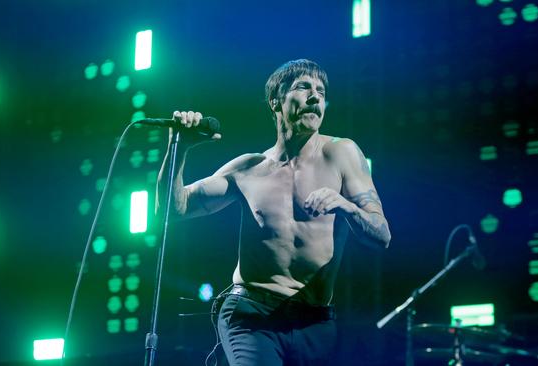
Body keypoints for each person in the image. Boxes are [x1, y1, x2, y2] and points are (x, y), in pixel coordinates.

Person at [156, 59, 391, 365]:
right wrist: (179, 147)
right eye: (303, 87)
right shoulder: (248, 169)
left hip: (314, 321)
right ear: (276, 102)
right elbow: (175, 208)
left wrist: (345, 205)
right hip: (252, 315)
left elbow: (382, 234)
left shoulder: (341, 153)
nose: (315, 97)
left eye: (321, 91)